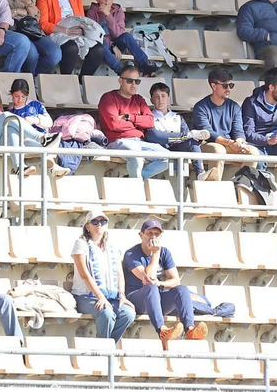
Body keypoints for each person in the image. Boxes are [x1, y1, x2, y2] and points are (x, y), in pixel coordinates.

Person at [123, 218, 202, 344]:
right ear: (141, 235)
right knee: (151, 288)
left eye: (157, 234)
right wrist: (155, 254)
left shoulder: (164, 252)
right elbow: (147, 279)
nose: (153, 237)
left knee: (181, 289)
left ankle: (190, 329)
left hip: (156, 299)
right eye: (149, 233)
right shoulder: (131, 254)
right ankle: (162, 330)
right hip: (136, 299)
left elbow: (175, 280)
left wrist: (161, 284)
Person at [68, 206, 136, 340]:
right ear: (87, 226)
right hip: (85, 296)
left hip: (111, 296)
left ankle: (106, 346)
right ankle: (104, 347)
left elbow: (119, 273)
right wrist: (100, 296)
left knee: (128, 313)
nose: (99, 224)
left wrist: (122, 296)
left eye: (103, 221)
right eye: (94, 221)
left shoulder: (112, 247)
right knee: (106, 313)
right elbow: (84, 274)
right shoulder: (81, 244)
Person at [98, 67, 172, 179]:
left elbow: (150, 122)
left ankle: (136, 179)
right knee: (136, 154)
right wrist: (139, 124)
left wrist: (130, 118)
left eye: (137, 81)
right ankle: (136, 184)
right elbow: (114, 124)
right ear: (120, 80)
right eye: (129, 81)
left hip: (140, 142)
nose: (133, 85)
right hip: (118, 141)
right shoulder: (108, 98)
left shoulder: (139, 99)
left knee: (167, 158)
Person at [189, 69, 255, 183]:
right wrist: (230, 143)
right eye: (225, 85)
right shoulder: (200, 107)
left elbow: (238, 130)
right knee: (218, 150)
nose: (228, 89)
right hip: (206, 145)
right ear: (214, 86)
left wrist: (240, 142)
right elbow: (208, 134)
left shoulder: (234, 106)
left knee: (253, 152)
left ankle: (242, 186)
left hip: (229, 144)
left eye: (231, 85)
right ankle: (214, 187)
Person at [86, 0, 160, 77]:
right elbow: (95, 36)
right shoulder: (92, 13)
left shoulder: (118, 11)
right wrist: (112, 46)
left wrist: (108, 15)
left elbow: (119, 34)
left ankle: (145, 64)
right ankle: (121, 70)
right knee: (101, 43)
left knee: (126, 36)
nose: (107, 0)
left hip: (117, 44)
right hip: (102, 46)